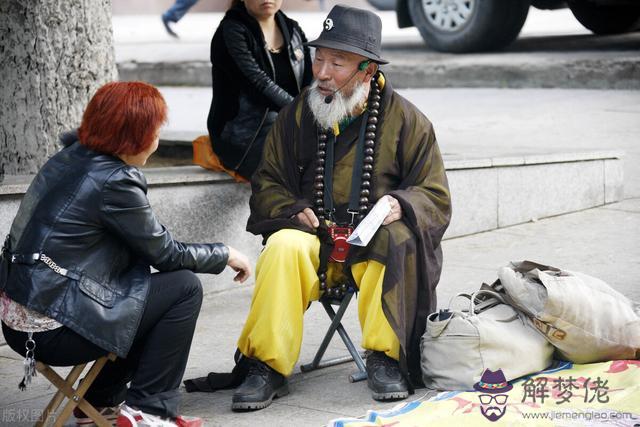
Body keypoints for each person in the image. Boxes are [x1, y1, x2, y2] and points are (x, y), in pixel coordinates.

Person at [230, 5, 452, 410]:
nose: (322, 72)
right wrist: (292, 207)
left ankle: (385, 358)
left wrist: (401, 204)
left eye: (337, 62)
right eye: (319, 57)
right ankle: (267, 365)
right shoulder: (297, 115)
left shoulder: (407, 120)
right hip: (315, 241)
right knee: (282, 246)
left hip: (370, 244)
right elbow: (267, 181)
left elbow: (434, 193)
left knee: (396, 238)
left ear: (367, 70)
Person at [0, 82, 252, 426]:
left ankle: (101, 401)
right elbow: (165, 253)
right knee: (182, 288)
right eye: (155, 131)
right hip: (53, 330)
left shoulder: (69, 157)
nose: (158, 140)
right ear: (134, 136)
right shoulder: (114, 180)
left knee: (142, 290)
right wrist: (224, 253)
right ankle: (149, 410)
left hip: (19, 320)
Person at [206, 0, 312, 180]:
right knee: (299, 167)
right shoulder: (232, 31)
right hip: (245, 135)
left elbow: (310, 79)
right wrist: (301, 112)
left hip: (291, 124)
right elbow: (258, 83)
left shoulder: (292, 29)